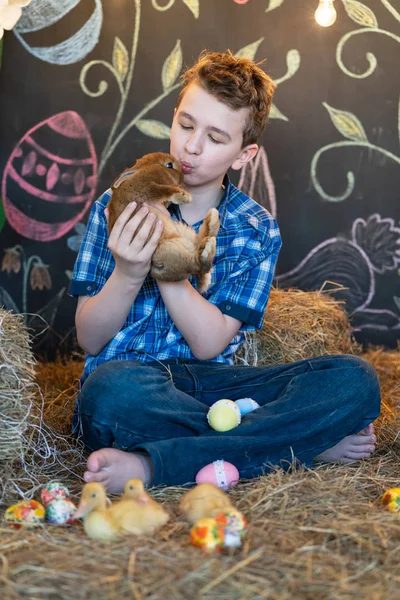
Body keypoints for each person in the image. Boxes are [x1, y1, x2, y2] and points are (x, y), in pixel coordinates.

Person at [69, 51, 380, 493]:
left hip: (219, 389)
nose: (192, 147)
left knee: (354, 380)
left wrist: (166, 264)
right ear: (173, 118)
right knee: (108, 391)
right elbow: (90, 338)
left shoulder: (256, 229)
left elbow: (208, 342)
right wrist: (127, 270)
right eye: (186, 125)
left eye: (216, 138)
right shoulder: (118, 203)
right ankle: (297, 446)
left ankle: (155, 465)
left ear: (243, 154)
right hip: (136, 385)